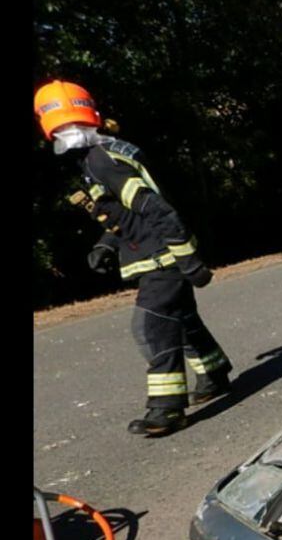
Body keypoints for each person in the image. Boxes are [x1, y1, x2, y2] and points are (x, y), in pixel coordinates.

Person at [34, 79, 232, 437]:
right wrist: (107, 244)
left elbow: (157, 209)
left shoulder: (99, 160)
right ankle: (215, 373)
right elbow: (129, 213)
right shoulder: (109, 152)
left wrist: (188, 261)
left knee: (151, 326)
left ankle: (167, 409)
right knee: (182, 319)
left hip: (162, 257)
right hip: (159, 252)